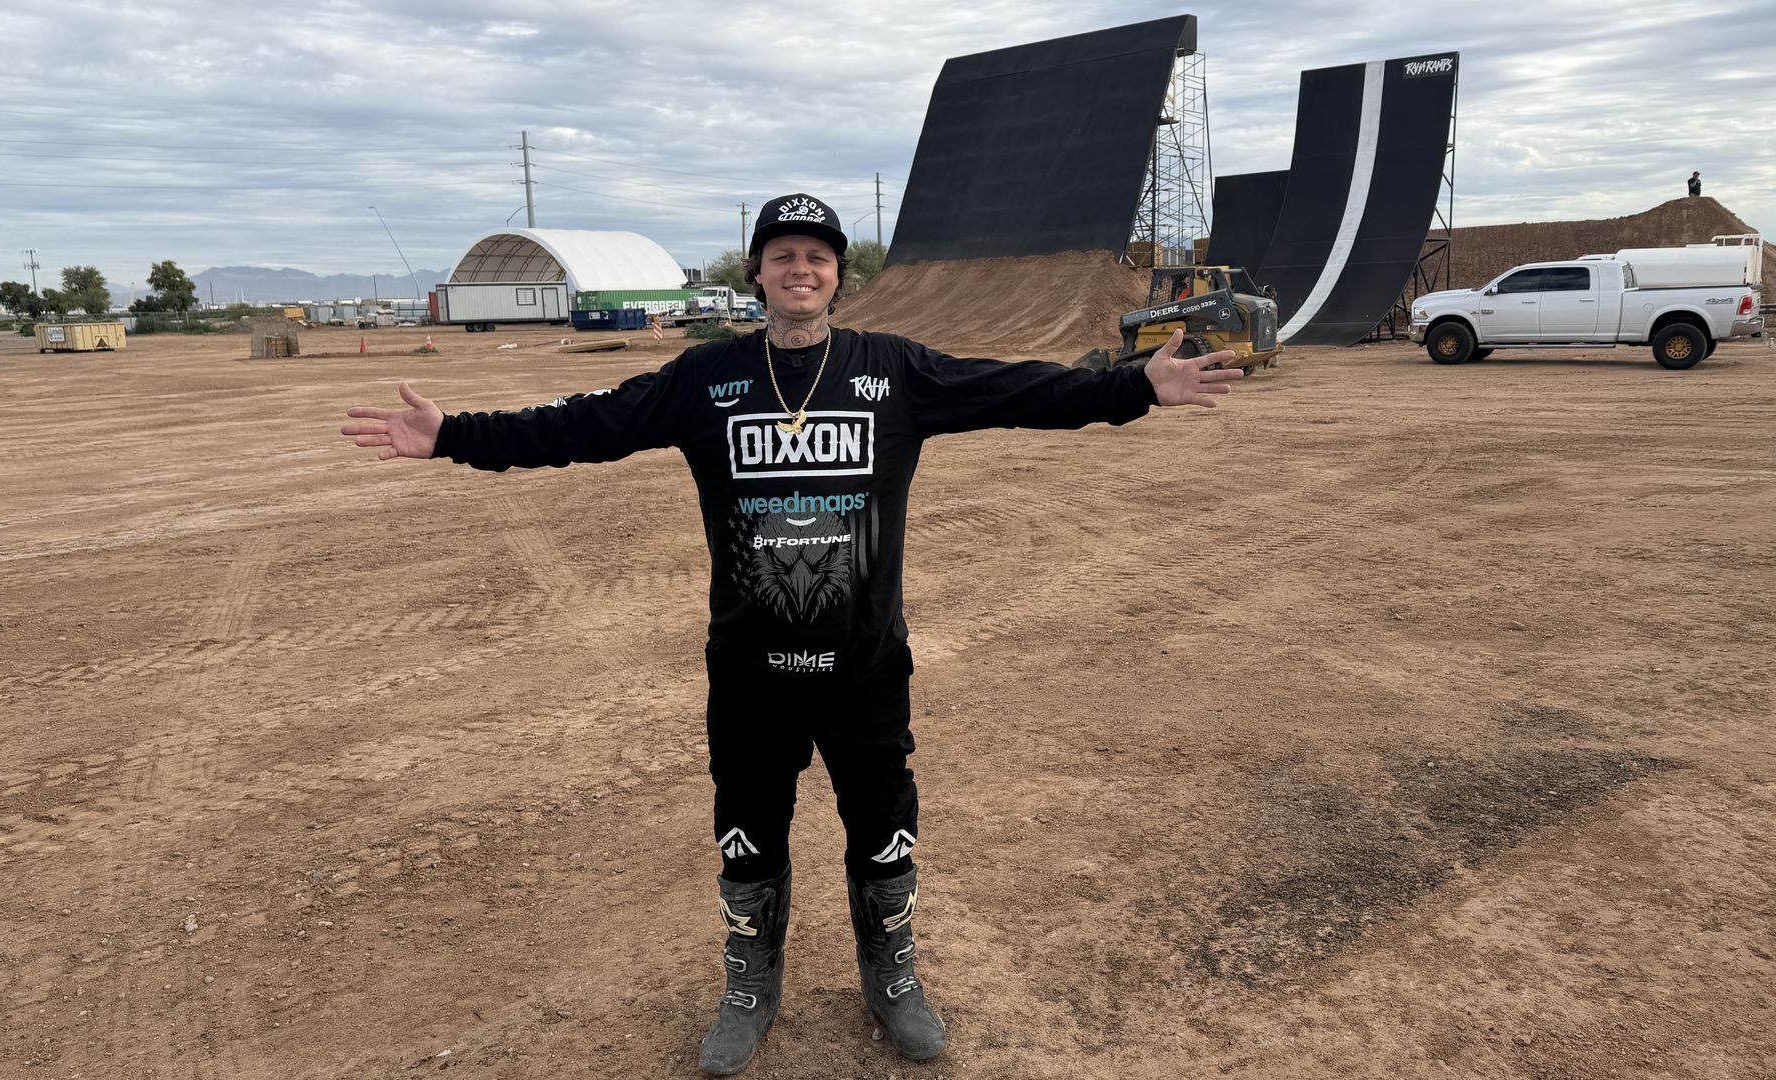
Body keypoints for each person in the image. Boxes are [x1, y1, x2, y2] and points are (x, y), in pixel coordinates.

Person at [340, 192, 1249, 1076]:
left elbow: (1016, 390)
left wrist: (1135, 387)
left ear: (837, 277)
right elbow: (588, 423)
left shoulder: (891, 369)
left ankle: (891, 979)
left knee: (884, 830)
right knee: (747, 835)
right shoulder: (706, 379)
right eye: (783, 256)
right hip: (748, 671)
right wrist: (455, 434)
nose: (800, 268)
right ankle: (750, 987)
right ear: (761, 274)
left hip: (863, 665)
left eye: (817, 257)